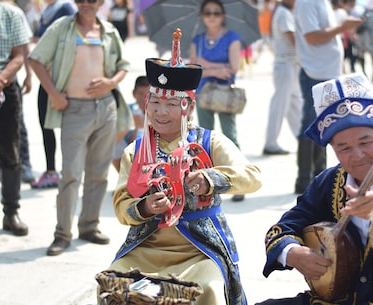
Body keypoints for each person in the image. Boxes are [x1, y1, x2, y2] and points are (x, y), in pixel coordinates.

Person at [257, 72, 373, 305]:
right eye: (344, 147)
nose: (357, 156)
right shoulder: (328, 182)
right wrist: (293, 253)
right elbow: (281, 230)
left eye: (366, 142)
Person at [106, 29, 262, 305]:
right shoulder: (136, 150)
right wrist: (144, 207)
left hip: (199, 249)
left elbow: (252, 177)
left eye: (170, 104)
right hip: (147, 245)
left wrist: (210, 178)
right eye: (154, 102)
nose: (160, 112)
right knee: (114, 283)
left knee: (208, 289)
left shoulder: (209, 141)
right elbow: (121, 206)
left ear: (188, 107)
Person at [28, 0, 130, 256]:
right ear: (75, 2)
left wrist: (110, 82)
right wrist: (53, 94)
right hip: (73, 109)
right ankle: (62, 233)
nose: (86, 4)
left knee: (98, 172)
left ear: (100, 3)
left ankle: (89, 225)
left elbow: (122, 66)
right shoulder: (62, 28)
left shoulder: (108, 30)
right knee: (71, 174)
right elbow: (36, 60)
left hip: (105, 107)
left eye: (92, 0)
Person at [293, 0, 363, 194]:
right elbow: (312, 37)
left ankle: (318, 176)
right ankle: (306, 179)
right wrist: (342, 27)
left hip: (323, 71)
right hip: (315, 72)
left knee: (324, 124)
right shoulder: (307, 3)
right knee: (311, 124)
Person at [190, 0, 245, 202]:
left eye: (216, 12)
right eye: (207, 13)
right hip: (203, 94)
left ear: (222, 15)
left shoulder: (233, 38)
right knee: (204, 139)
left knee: (230, 136)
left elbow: (233, 68)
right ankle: (207, 182)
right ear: (202, 16)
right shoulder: (198, 40)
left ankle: (238, 179)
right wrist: (216, 69)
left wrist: (206, 65)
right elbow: (194, 67)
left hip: (224, 95)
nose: (212, 16)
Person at [0, 0, 31, 236]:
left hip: (5, 88)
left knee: (10, 152)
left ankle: (11, 213)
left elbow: (19, 56)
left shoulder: (11, 14)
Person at [29, 0, 76, 189]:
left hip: (64, 77)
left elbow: (73, 40)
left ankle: (70, 172)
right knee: (45, 124)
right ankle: (51, 171)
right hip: (46, 76)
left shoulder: (67, 7)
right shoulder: (46, 10)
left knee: (70, 128)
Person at [262, 0, 302, 155]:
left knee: (294, 104)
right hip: (286, 64)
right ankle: (270, 143)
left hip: (289, 64)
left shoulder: (284, 12)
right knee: (280, 105)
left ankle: (304, 139)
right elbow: (293, 40)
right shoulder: (284, 13)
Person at [112, 75, 148, 172]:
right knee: (115, 145)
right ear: (134, 93)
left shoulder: (158, 111)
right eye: (140, 94)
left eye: (147, 94)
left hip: (151, 149)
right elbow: (115, 140)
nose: (144, 98)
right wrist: (134, 126)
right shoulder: (127, 111)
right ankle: (125, 177)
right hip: (130, 145)